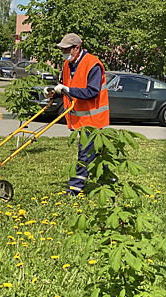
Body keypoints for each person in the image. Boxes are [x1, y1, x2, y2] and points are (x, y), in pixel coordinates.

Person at [45, 33, 110, 196]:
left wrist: (68, 90)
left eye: (66, 49)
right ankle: (109, 182)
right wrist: (54, 92)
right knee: (98, 154)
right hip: (80, 118)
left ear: (77, 48)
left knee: (85, 153)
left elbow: (92, 92)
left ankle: (75, 187)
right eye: (62, 50)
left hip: (93, 119)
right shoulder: (67, 65)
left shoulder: (93, 64)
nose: (64, 53)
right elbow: (69, 89)